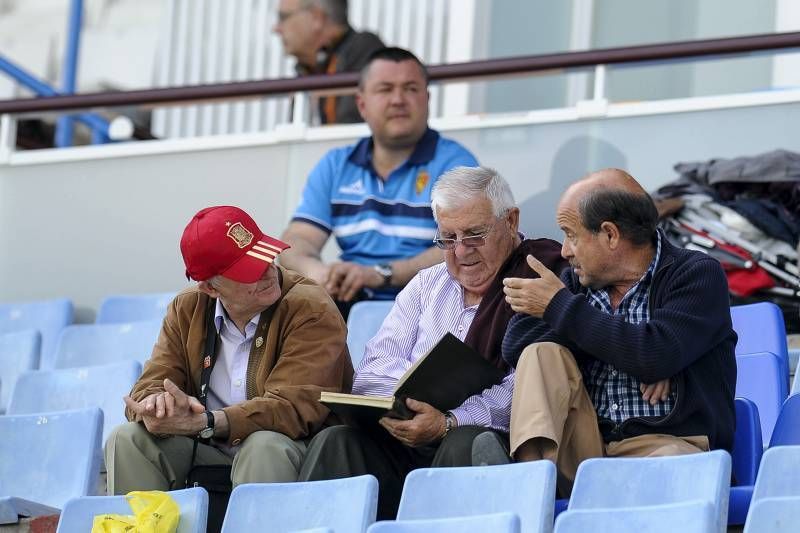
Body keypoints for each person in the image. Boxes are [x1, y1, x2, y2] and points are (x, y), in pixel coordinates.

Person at [298, 166, 567, 518]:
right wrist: (409, 407)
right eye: (447, 238)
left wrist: (449, 420)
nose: (460, 252)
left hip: (488, 438)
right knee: (337, 442)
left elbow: (528, 387)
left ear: (511, 221)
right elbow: (372, 371)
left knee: (464, 440)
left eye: (474, 235)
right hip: (407, 435)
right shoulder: (427, 284)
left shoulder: (539, 277)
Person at [473, 168, 737, 496]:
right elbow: (516, 345)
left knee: (674, 467)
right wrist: (630, 348)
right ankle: (529, 483)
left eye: (571, 235)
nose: (565, 251)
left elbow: (655, 355)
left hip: (667, 447)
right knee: (541, 354)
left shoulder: (696, 274)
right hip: (584, 451)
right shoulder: (576, 283)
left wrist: (563, 311)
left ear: (610, 235)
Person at [105, 205, 352, 493]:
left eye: (265, 257)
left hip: (298, 449)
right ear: (210, 288)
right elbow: (153, 380)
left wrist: (207, 422)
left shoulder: (310, 306)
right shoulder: (187, 307)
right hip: (211, 448)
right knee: (127, 439)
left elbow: (294, 408)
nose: (266, 271)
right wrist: (156, 405)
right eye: (249, 270)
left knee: (263, 445)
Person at [280, 47, 478, 318]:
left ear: (427, 99)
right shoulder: (336, 164)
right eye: (385, 89)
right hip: (347, 307)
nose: (398, 100)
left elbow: (465, 247)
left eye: (410, 88)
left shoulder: (456, 164)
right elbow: (296, 242)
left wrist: (380, 274)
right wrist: (324, 275)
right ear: (362, 104)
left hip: (430, 308)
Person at [273, 0, 384, 124]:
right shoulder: (308, 68)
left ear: (317, 18)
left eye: (283, 17)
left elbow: (350, 131)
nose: (276, 29)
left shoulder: (364, 49)